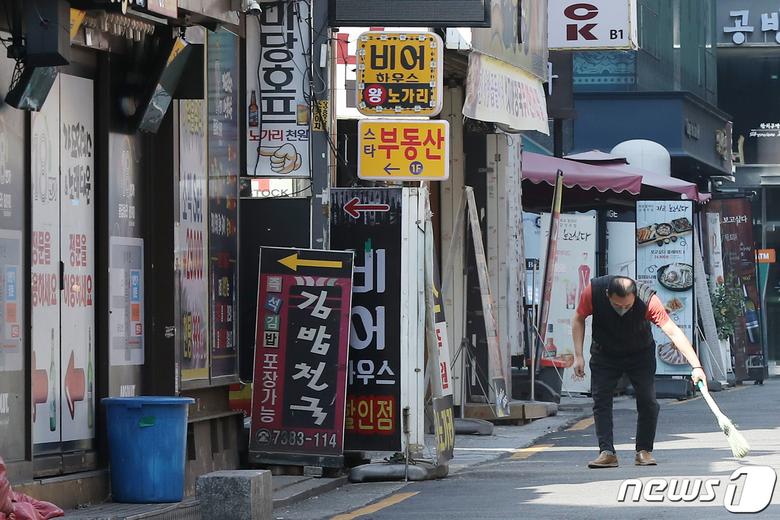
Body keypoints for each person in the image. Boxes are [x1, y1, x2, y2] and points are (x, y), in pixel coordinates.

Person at [571, 275, 707, 469]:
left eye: (627, 306)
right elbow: (578, 318)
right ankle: (607, 452)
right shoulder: (593, 292)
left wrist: (696, 366)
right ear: (608, 295)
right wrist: (578, 355)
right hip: (605, 353)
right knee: (601, 400)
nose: (623, 310)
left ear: (634, 296)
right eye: (618, 306)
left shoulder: (649, 300)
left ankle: (644, 451)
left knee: (648, 401)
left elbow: (673, 331)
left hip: (640, 353)